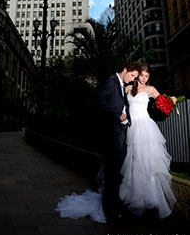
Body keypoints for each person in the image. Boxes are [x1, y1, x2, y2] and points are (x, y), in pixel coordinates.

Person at [55, 61, 139, 223]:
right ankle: (110, 212)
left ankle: (115, 208)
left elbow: (121, 105)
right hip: (111, 135)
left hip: (119, 134)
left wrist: (126, 118)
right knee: (111, 175)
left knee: (116, 175)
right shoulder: (111, 81)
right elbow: (101, 103)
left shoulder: (120, 84)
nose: (133, 79)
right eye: (133, 75)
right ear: (125, 69)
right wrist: (118, 114)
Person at [119, 63, 177, 219]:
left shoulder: (150, 90)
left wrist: (171, 99)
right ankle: (137, 199)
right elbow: (119, 106)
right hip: (132, 128)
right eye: (142, 75)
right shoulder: (128, 89)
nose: (144, 79)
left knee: (149, 163)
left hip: (146, 127)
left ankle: (152, 199)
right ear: (137, 74)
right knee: (136, 161)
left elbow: (163, 102)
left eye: (147, 76)